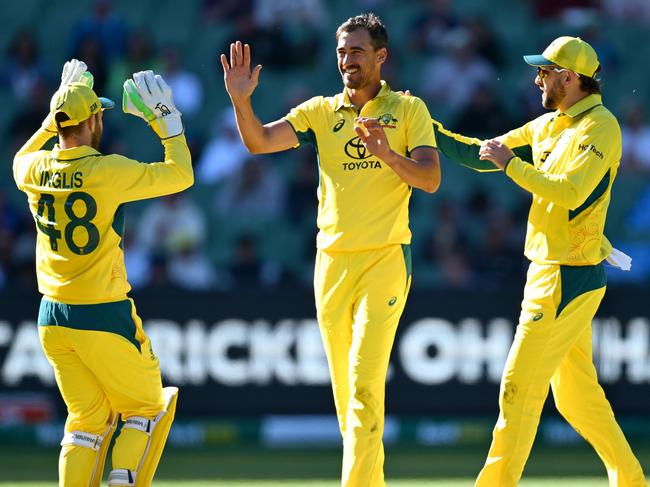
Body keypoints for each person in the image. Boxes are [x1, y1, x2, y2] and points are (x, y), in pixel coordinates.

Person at [221, 13, 439, 487]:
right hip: (332, 265)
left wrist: (386, 153)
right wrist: (241, 102)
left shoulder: (408, 110)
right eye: (341, 52)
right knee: (348, 399)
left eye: (357, 51)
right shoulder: (320, 111)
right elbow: (258, 142)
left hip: (384, 259)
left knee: (363, 387)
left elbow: (430, 178)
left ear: (381, 56)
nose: (346, 61)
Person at [430, 36, 646, 486]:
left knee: (517, 388)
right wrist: (420, 124)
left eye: (545, 72)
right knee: (575, 397)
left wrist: (513, 166)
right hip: (550, 271)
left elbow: (571, 193)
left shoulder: (600, 127)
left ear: (570, 78)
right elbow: (478, 153)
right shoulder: (550, 125)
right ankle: (631, 480)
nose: (537, 79)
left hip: (567, 275)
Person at [12, 59, 193, 486]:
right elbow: (181, 174)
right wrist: (168, 121)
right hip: (103, 313)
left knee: (86, 421)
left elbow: (22, 155)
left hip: (52, 317)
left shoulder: (33, 171)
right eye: (99, 114)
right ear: (93, 120)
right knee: (147, 409)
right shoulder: (107, 170)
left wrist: (55, 113)